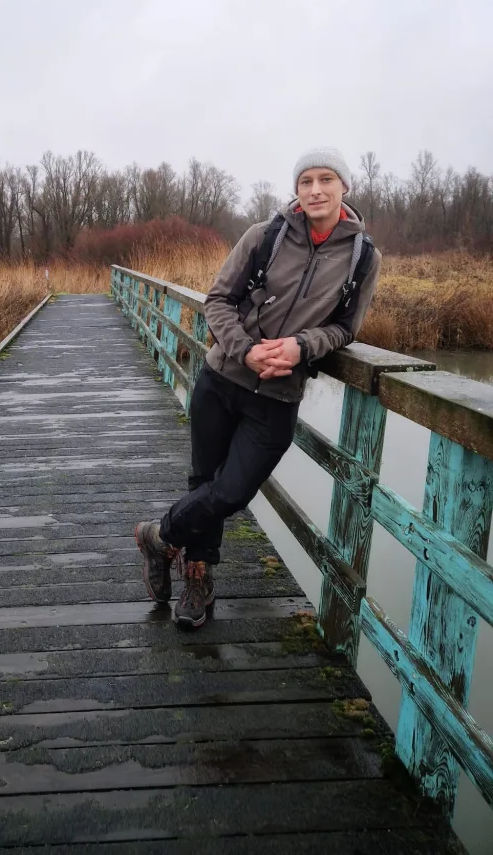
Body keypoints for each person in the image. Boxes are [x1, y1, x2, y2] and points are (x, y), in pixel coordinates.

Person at [135, 147, 382, 628]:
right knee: (203, 482)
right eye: (306, 180)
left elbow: (346, 329)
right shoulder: (263, 237)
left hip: (279, 396)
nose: (315, 189)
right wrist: (247, 349)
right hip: (222, 379)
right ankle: (198, 581)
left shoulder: (362, 257)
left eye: (326, 179)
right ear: (296, 189)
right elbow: (218, 301)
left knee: (231, 492)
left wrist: (301, 347)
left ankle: (159, 538)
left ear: (344, 188)